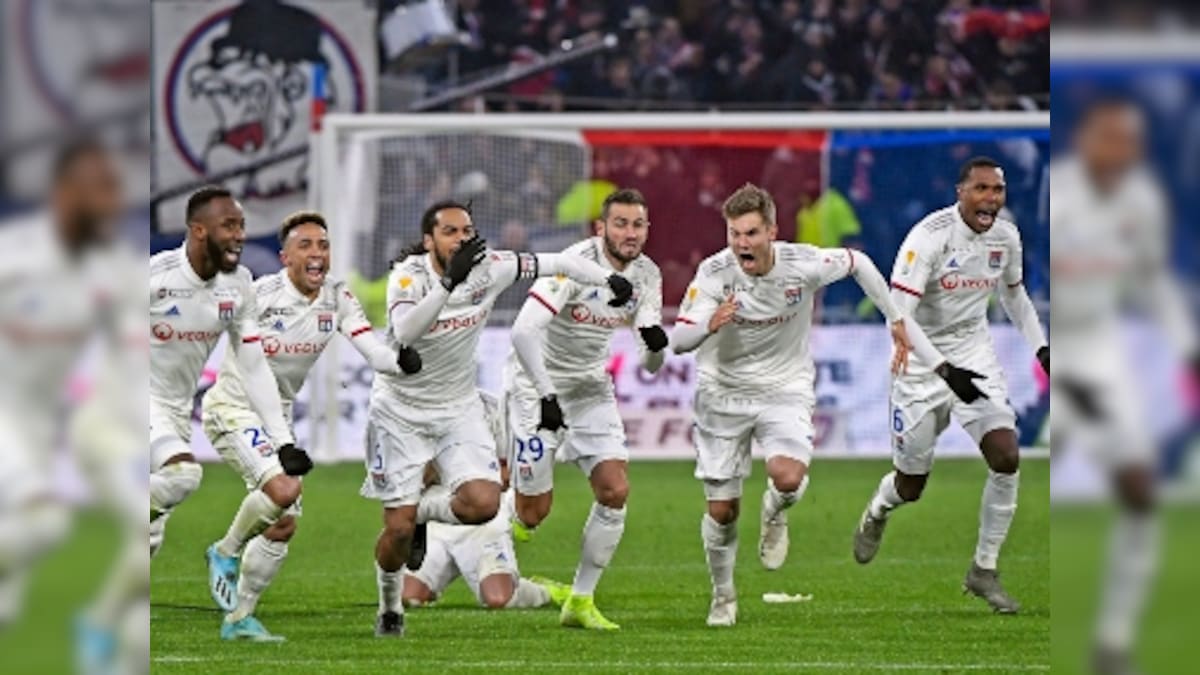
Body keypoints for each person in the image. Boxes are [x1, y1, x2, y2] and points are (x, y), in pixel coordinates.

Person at [670, 182, 943, 627]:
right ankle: (724, 596)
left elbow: (860, 263)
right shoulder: (714, 274)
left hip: (784, 389)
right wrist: (708, 325)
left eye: (751, 233)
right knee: (721, 511)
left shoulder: (804, 264)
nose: (742, 244)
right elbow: (678, 340)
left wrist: (895, 318)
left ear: (772, 231)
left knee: (789, 477)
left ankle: (774, 512)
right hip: (723, 394)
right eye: (735, 234)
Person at [363, 199, 633, 637]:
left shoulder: (492, 266)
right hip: (401, 411)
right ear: (429, 240)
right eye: (450, 232)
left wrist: (609, 279)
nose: (462, 239)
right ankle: (390, 608)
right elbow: (407, 332)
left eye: (467, 230)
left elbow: (559, 262)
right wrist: (449, 283)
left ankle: (418, 513)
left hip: (458, 406)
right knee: (394, 531)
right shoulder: (408, 276)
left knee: (483, 504)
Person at [201, 210, 412, 641]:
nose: (317, 254)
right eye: (306, 246)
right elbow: (254, 368)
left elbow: (372, 351)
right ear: (285, 258)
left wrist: (400, 360)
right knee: (283, 489)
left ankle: (240, 618)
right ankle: (223, 552)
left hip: (277, 414)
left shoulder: (337, 296)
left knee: (282, 523)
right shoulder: (257, 297)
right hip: (234, 408)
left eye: (324, 246)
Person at [852, 156, 1049, 615]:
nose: (991, 199)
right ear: (961, 191)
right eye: (981, 189)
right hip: (920, 365)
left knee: (1006, 454)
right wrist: (943, 370)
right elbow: (899, 316)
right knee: (912, 484)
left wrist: (1042, 350)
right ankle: (878, 509)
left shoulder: (1007, 236)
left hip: (973, 354)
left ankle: (984, 570)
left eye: (997, 190)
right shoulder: (928, 238)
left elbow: (1014, 295)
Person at [1050, 100, 1197, 674]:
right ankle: (989, 571)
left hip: (1104, 353)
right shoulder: (1059, 196)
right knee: (1023, 468)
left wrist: (1189, 350)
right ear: (1087, 139)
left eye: (1130, 140)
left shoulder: (1142, 199)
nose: (1121, 150)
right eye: (1111, 137)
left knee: (1139, 491)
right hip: (1059, 351)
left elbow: (1153, 280)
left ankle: (1113, 641)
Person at [505, 188, 667, 630]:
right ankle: (461, 519)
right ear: (601, 228)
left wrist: (655, 348)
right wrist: (546, 395)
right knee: (532, 514)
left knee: (615, 490)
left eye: (637, 225)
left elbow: (651, 364)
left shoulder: (648, 276)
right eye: (620, 224)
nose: (629, 234)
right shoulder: (572, 265)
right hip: (535, 388)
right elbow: (522, 333)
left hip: (591, 387)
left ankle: (580, 601)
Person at [150, 187, 302, 562]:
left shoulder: (238, 284)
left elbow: (252, 365)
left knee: (150, 539)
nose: (240, 235)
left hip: (176, 410)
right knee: (183, 475)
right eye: (229, 225)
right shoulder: (155, 277)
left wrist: (282, 441)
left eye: (242, 226)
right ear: (199, 230)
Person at [402, 391, 570, 612]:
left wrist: (471, 482)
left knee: (499, 599)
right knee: (407, 598)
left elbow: (510, 472)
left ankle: (544, 591)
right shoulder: (416, 420)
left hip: (484, 521)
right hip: (438, 522)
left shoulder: (491, 411)